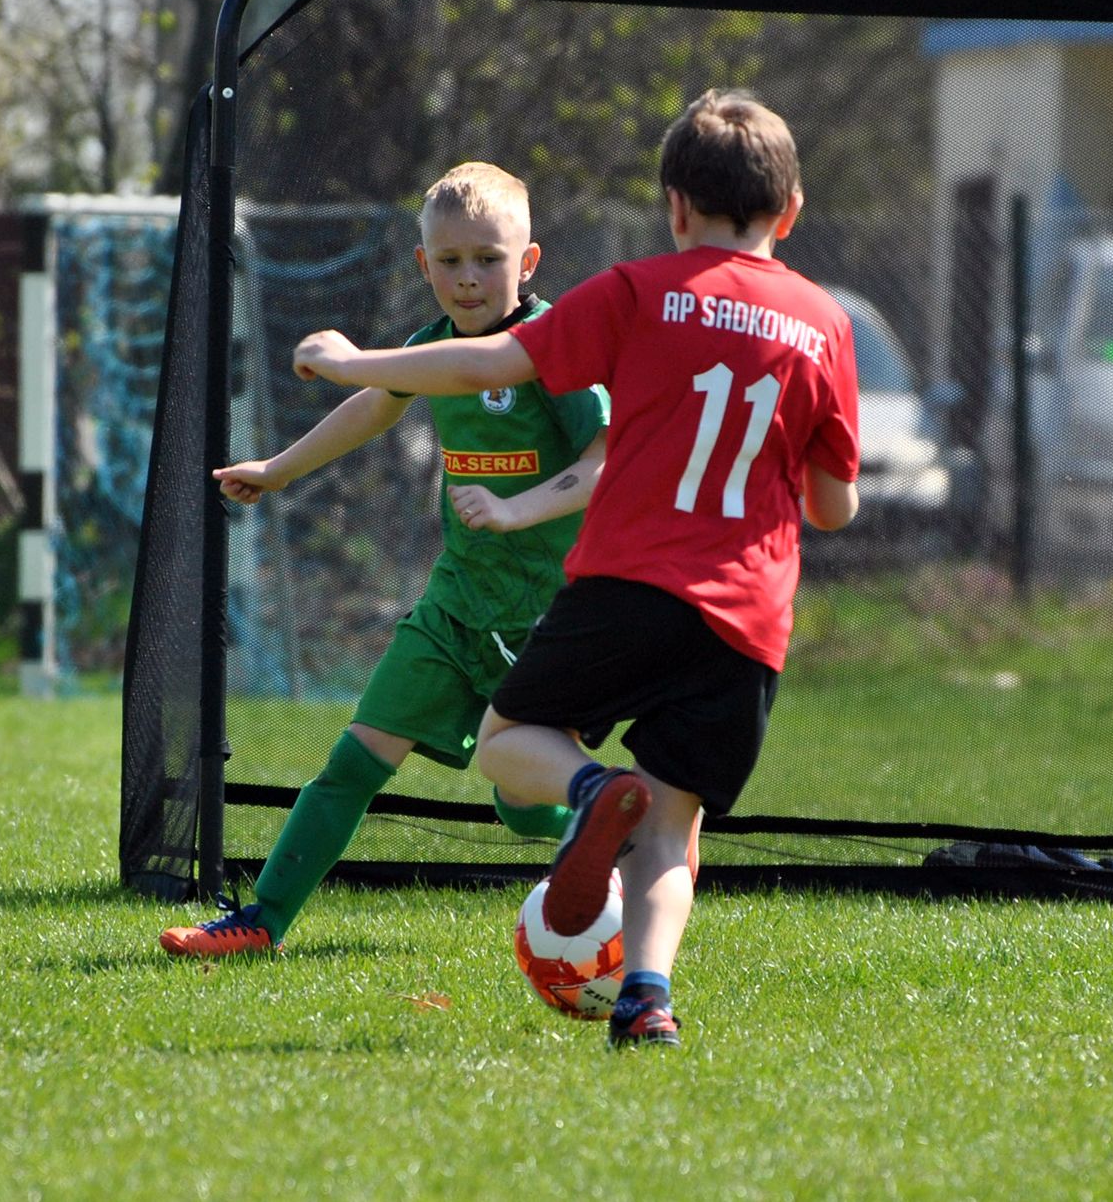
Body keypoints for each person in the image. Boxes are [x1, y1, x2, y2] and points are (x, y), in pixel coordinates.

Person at [290, 91, 861, 1048]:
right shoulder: (826, 324)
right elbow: (833, 507)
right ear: (791, 211)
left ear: (674, 205)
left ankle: (592, 790)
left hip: (630, 582)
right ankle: (647, 995)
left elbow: (485, 367)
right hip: (748, 616)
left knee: (512, 736)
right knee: (674, 823)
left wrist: (351, 361)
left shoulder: (636, 291)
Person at [160, 161, 610, 957]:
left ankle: (605, 817)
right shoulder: (428, 347)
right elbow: (374, 404)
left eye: (488, 258)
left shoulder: (557, 348)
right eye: (449, 261)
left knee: (517, 802)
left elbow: (612, 459)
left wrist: (522, 509)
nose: (468, 278)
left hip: (549, 615)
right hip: (455, 604)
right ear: (422, 265)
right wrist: (277, 468)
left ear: (529, 262)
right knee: (356, 755)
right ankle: (260, 921)